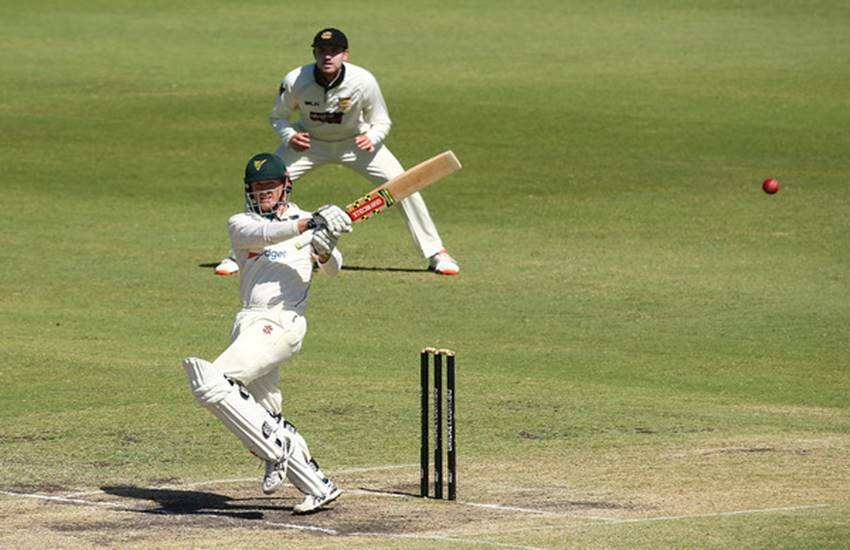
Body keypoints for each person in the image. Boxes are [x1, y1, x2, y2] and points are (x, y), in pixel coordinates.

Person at [214, 27, 459, 277]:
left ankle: (436, 253)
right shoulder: (295, 80)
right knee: (265, 185)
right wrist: (289, 135)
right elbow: (278, 117)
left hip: (356, 143)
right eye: (322, 51)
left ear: (346, 55)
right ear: (315, 54)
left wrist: (371, 137)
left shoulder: (363, 80)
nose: (327, 57)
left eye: (334, 51)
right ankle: (242, 253)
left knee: (404, 186)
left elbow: (382, 121)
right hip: (309, 143)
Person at [183, 152, 352, 514]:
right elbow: (268, 233)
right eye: (257, 188)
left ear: (285, 186)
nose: (263, 194)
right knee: (263, 414)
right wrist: (310, 226)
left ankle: (276, 450)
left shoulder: (307, 223)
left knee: (212, 382)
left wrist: (326, 248)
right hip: (248, 320)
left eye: (269, 187)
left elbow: (334, 269)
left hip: (281, 321)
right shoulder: (241, 224)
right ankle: (317, 485)